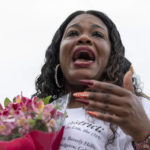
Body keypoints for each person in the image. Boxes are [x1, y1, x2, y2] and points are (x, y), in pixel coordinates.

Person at [34, 10, 150, 150]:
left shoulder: (138, 107)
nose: (84, 38)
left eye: (97, 34)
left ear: (111, 57)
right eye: (73, 33)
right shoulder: (36, 113)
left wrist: (144, 134)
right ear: (58, 55)